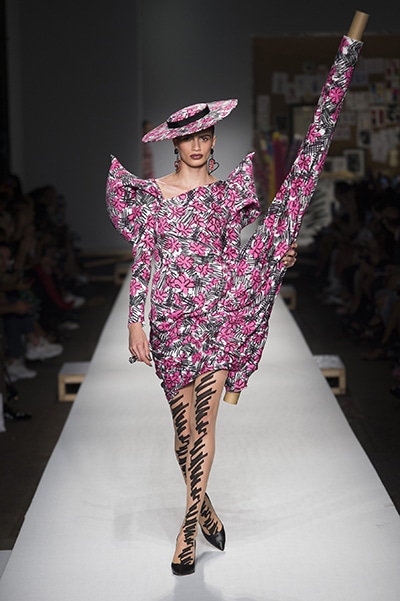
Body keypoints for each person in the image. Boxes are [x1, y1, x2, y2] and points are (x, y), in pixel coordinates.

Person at [106, 34, 364, 576]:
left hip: (221, 313)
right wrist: (136, 322)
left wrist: (276, 254)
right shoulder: (152, 197)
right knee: (183, 432)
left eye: (205, 135)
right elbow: (145, 261)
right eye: (188, 138)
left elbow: (241, 250)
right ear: (175, 143)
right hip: (171, 319)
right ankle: (204, 505)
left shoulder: (228, 194)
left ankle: (186, 530)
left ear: (213, 138)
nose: (198, 145)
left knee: (205, 423)